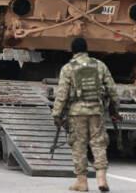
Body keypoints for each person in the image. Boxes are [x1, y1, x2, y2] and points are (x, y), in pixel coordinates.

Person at [52, 37, 120, 192]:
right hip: (96, 111)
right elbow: (112, 89)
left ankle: (82, 182)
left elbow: (62, 94)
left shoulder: (68, 68)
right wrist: (115, 107)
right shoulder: (100, 65)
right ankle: (101, 179)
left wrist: (56, 114)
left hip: (76, 113)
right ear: (86, 49)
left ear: (73, 51)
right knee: (98, 143)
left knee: (79, 145)